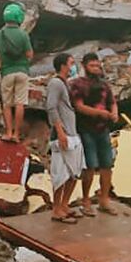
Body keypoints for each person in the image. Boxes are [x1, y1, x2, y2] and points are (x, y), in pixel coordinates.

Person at [70, 52, 119, 216]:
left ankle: (104, 200)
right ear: (84, 66)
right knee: (90, 165)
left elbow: (112, 102)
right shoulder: (78, 84)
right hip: (86, 129)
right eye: (92, 66)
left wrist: (113, 113)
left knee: (107, 165)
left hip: (103, 130)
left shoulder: (104, 85)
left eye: (98, 66)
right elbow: (79, 106)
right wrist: (99, 113)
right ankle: (86, 200)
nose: (96, 69)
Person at [0, 3, 34, 142]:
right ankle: (16, 135)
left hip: (7, 73)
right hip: (22, 73)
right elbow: (29, 55)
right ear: (19, 17)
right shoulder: (23, 35)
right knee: (20, 103)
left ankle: (9, 133)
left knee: (7, 104)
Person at [45, 52, 86, 224]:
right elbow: (51, 107)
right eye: (70, 63)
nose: (73, 66)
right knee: (61, 173)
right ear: (63, 65)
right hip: (63, 135)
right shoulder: (55, 83)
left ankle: (64, 204)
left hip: (73, 133)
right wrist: (60, 131)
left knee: (74, 172)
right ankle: (56, 209)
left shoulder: (65, 84)